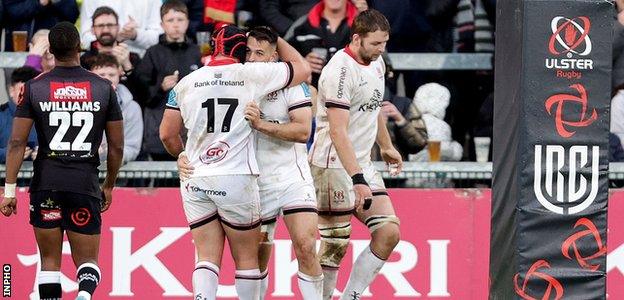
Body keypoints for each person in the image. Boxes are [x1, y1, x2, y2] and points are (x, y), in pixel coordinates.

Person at [159, 24, 310, 299]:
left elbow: (167, 134)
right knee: (247, 260)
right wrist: (275, 36)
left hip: (195, 176)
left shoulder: (186, 82)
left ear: (213, 46)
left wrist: (181, 154)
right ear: (241, 49)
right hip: (235, 177)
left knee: (205, 256)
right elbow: (302, 69)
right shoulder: (252, 73)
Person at [0, 22, 124, 300]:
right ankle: (84, 294)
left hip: (46, 182)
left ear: (51, 51)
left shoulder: (34, 87)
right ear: (79, 47)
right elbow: (116, 146)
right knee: (88, 263)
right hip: (84, 183)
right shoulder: (104, 88)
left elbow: (17, 142)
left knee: (49, 264)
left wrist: (9, 191)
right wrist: (109, 185)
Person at [308, 10, 402, 300]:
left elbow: (373, 108)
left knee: (389, 233)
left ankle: (350, 296)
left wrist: (385, 146)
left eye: (384, 43)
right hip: (332, 165)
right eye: (375, 43)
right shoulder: (339, 71)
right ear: (357, 38)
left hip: (361, 162)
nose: (381, 49)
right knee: (334, 246)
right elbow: (338, 132)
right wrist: (357, 178)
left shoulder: (376, 62)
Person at [137, 0, 201, 161]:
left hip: (193, 131)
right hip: (160, 133)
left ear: (187, 22)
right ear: (162, 24)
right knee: (162, 182)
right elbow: (142, 95)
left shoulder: (197, 52)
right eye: (170, 20)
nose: (176, 25)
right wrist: (161, 87)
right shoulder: (152, 53)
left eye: (180, 20)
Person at [284, 0, 359, 87]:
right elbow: (280, 59)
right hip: (311, 94)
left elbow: (376, 57)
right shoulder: (302, 24)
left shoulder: (364, 24)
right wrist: (302, 64)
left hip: (353, 92)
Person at [80, 6, 146, 102]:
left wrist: (128, 67)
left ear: (118, 27)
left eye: (110, 25)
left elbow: (144, 96)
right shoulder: (84, 60)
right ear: (93, 30)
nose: (106, 30)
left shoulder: (132, 57)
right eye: (100, 26)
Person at [91, 53, 143, 163]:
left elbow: (132, 147)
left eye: (111, 74)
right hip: (83, 171)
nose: (107, 79)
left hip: (118, 174)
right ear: (91, 76)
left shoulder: (132, 108)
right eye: (101, 74)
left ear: (119, 75)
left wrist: (109, 154)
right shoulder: (77, 103)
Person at [79, 0, 163, 55]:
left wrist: (135, 34)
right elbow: (86, 37)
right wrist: (110, 40)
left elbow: (159, 38)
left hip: (139, 64)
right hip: (98, 63)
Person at [0, 66, 40, 164]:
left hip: (39, 178)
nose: (27, 96)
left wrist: (45, 155)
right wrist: (7, 153)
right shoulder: (1, 116)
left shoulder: (48, 116)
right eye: (22, 91)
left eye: (32, 91)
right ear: (11, 91)